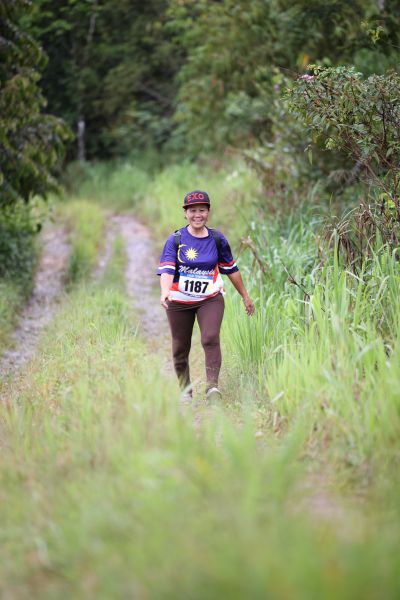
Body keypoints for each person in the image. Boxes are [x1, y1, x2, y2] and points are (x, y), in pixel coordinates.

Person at [157, 189, 254, 401]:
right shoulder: (175, 240)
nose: (197, 215)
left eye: (202, 210)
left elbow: (231, 270)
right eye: (192, 211)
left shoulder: (217, 239)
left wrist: (245, 296)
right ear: (185, 213)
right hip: (179, 300)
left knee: (210, 338)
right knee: (180, 347)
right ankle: (185, 391)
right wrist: (165, 291)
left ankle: (212, 388)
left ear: (208, 212)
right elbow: (167, 269)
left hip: (210, 298)